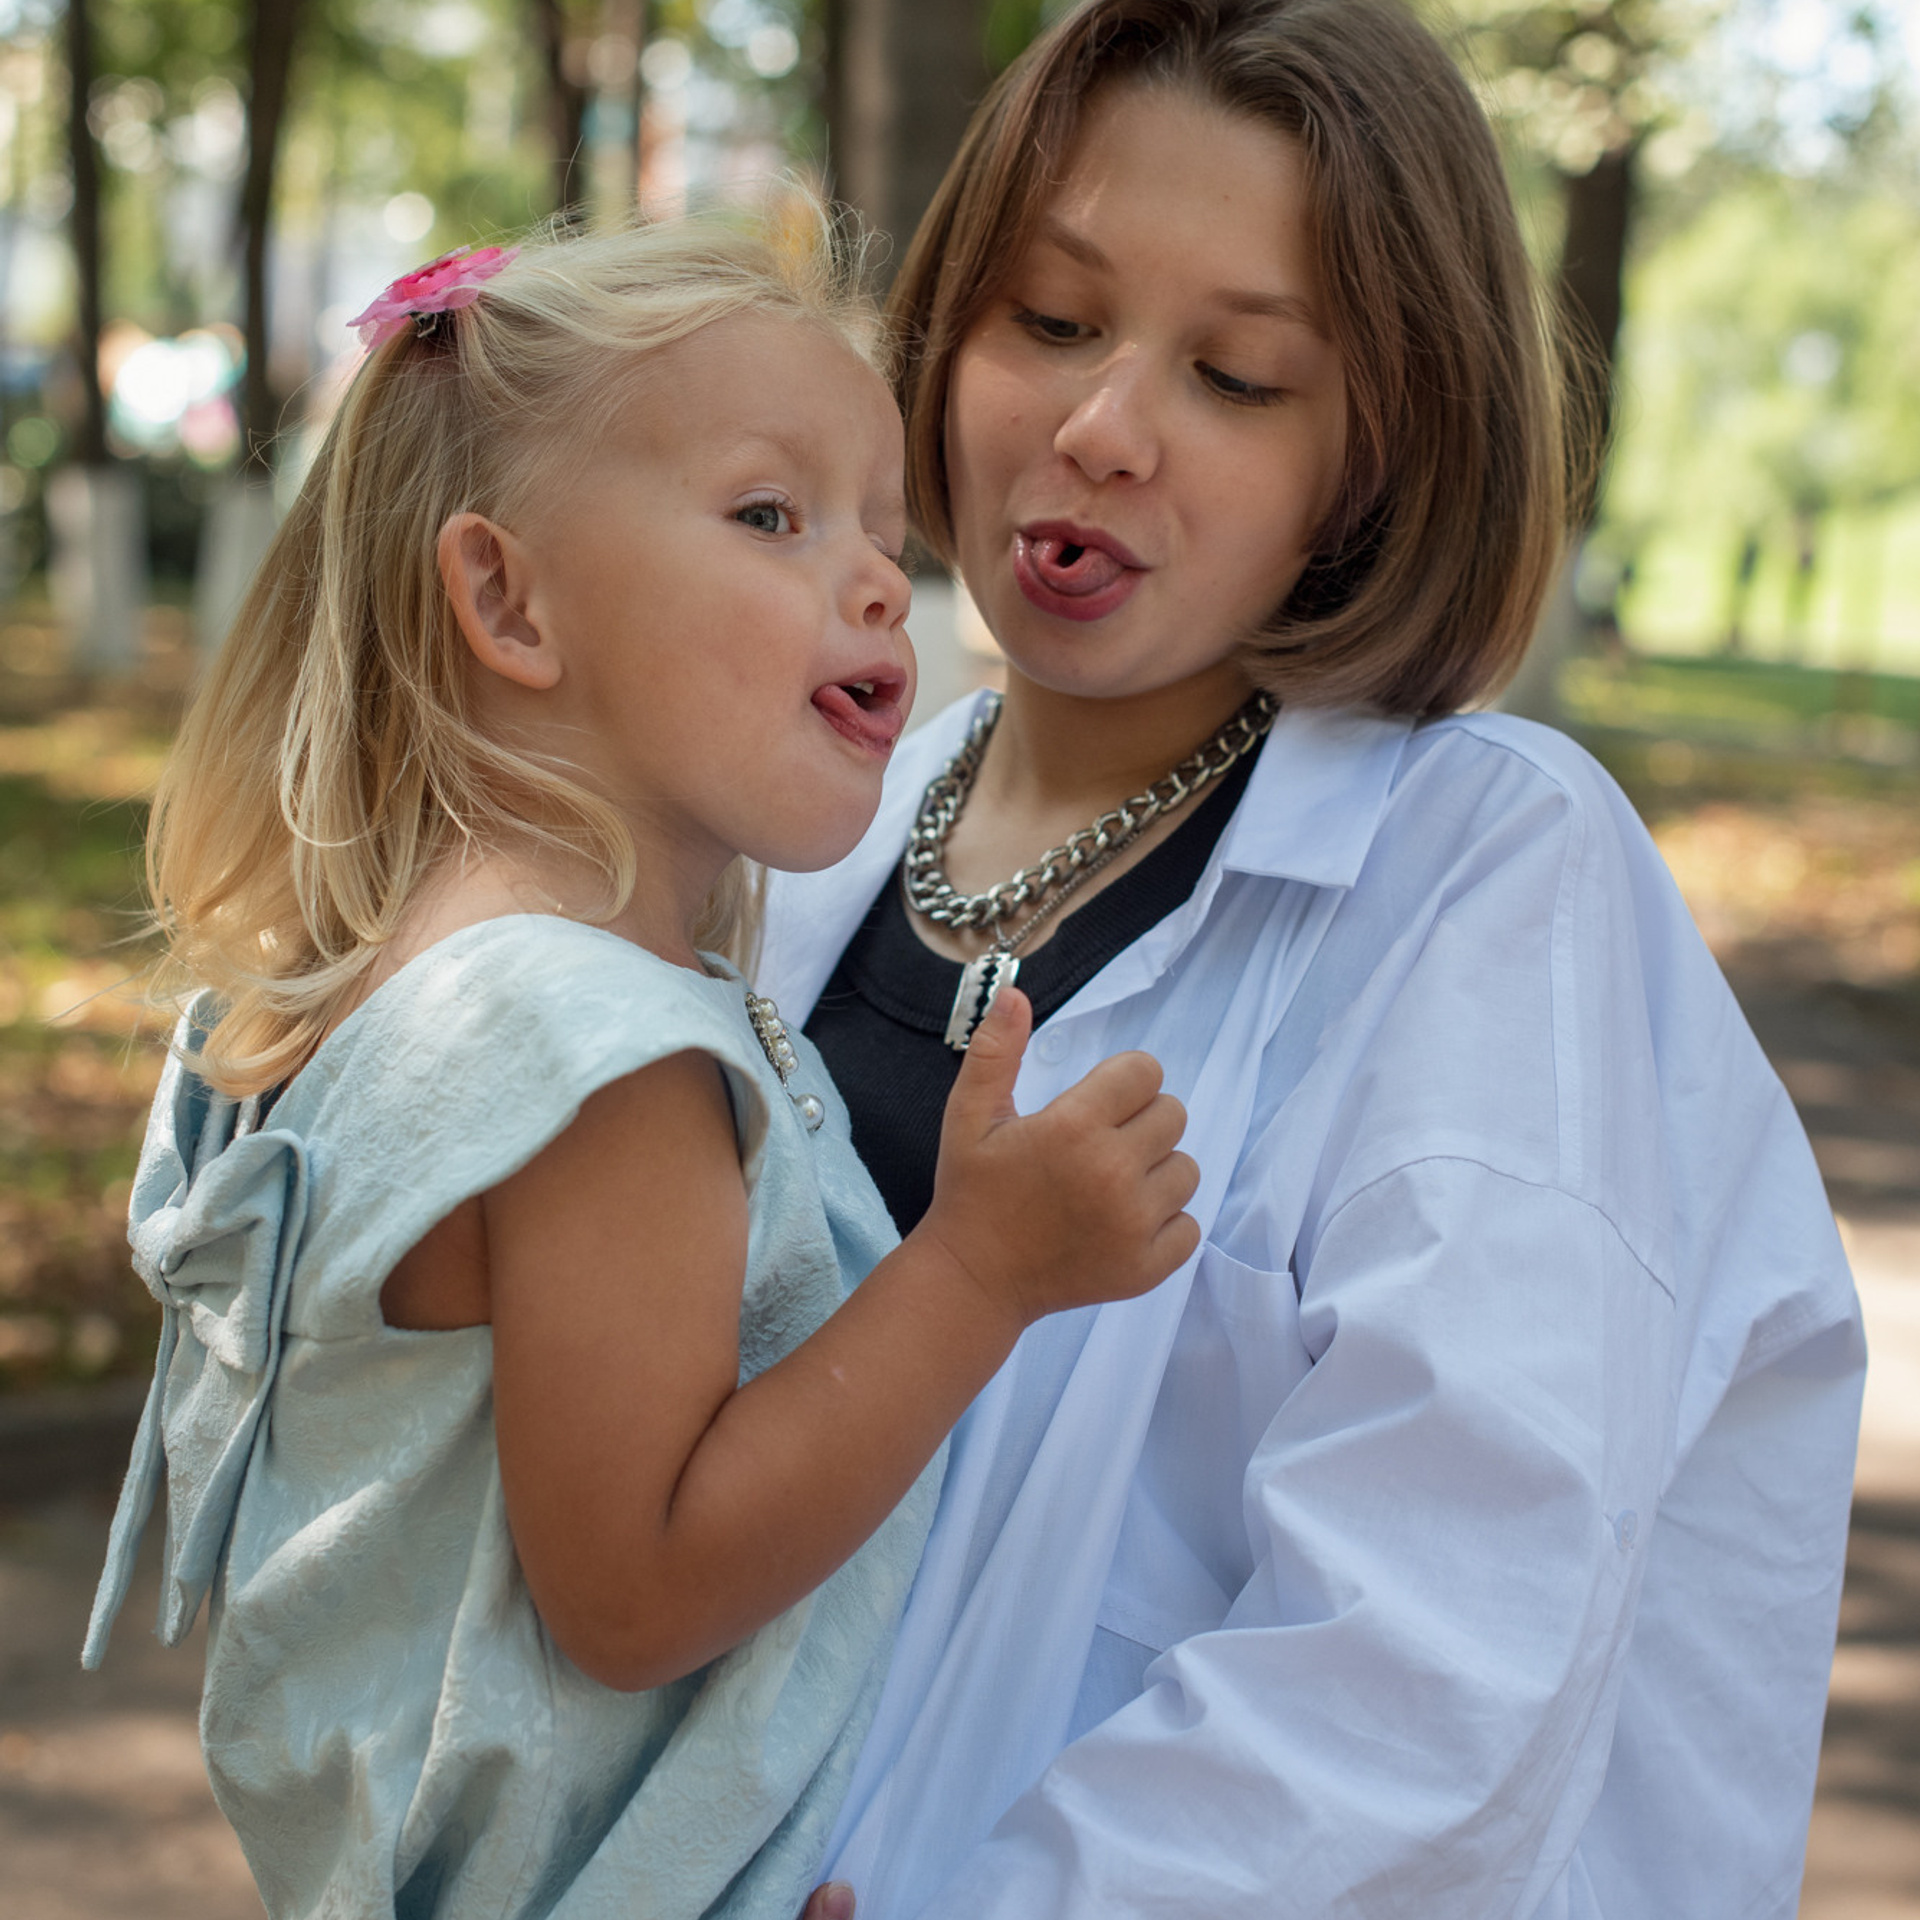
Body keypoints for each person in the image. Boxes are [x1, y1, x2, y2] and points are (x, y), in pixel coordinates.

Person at [763, 3, 1868, 1915]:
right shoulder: (815, 821)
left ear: (1374, 459)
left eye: (1239, 376)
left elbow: (1432, 1672)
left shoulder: (1486, 880)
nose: (1102, 428)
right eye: (1051, 318)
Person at [81, 215, 1201, 1920]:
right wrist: (982, 1273)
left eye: (885, 533)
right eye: (772, 515)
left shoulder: (399, 981)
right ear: (506, 599)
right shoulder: (602, 1066)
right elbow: (639, 1588)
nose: (880, 580)